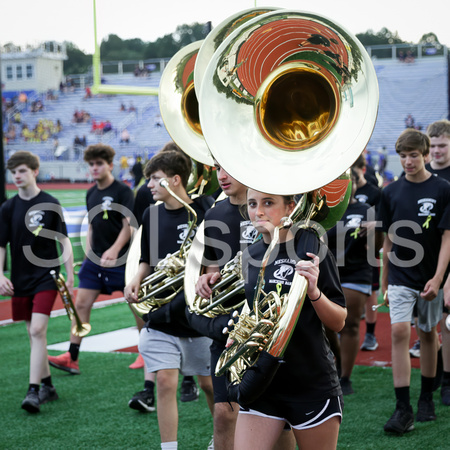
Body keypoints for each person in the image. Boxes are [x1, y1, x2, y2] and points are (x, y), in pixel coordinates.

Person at [228, 189, 346, 450]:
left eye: (268, 203)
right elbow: (254, 313)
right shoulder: (251, 254)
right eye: (252, 204)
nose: (258, 211)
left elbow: (338, 322)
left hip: (310, 382)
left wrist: (314, 291)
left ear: (291, 206)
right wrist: (239, 339)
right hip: (262, 382)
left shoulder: (313, 247)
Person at [124, 150, 215, 448]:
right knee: (164, 381)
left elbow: (214, 260)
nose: (149, 185)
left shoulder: (204, 210)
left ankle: (222, 439)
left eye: (155, 179)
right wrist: (136, 280)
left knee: (211, 386)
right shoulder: (151, 213)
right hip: (161, 315)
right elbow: (147, 260)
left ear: (175, 180)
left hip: (196, 316)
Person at [379, 129, 450, 434]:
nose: (407, 161)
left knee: (429, 333)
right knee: (397, 331)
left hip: (430, 277)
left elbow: (448, 238)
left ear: (424, 155)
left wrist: (438, 278)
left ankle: (425, 399)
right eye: (403, 156)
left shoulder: (443, 189)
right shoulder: (390, 192)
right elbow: (387, 244)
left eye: (413, 155)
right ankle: (402, 407)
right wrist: (384, 282)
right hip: (399, 275)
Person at [48, 144, 134, 375]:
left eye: (99, 164)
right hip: (95, 260)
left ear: (109, 165)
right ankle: (72, 357)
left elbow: (129, 225)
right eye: (91, 164)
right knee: (81, 305)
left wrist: (115, 249)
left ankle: (146, 355)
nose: (94, 168)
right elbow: (93, 226)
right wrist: (88, 254)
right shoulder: (90, 192)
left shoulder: (123, 191)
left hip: (122, 259)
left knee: (136, 305)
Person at [0, 151, 74, 413]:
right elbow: (1, 245)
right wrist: (0, 275)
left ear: (34, 170)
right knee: (34, 336)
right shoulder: (8, 208)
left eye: (21, 171)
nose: (17, 176)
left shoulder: (51, 202)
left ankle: (33, 392)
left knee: (37, 331)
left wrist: (70, 273)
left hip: (47, 276)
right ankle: (48, 387)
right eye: (13, 172)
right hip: (20, 279)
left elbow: (63, 240)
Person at [327, 170, 382, 395]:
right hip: (326, 274)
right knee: (326, 327)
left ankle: (345, 377)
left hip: (356, 272)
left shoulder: (365, 210)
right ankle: (335, 366)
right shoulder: (322, 213)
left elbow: (377, 247)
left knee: (349, 325)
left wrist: (375, 229)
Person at [426, 120, 450, 406]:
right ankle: (433, 379)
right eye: (433, 146)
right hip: (426, 260)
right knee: (428, 324)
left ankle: (446, 380)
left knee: (447, 322)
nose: (438, 151)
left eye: (443, 145)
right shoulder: (423, 173)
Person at [351, 154, 382, 352]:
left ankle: (370, 334)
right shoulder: (342, 193)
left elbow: (383, 219)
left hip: (367, 251)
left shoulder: (374, 192)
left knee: (371, 292)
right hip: (344, 251)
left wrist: (375, 226)